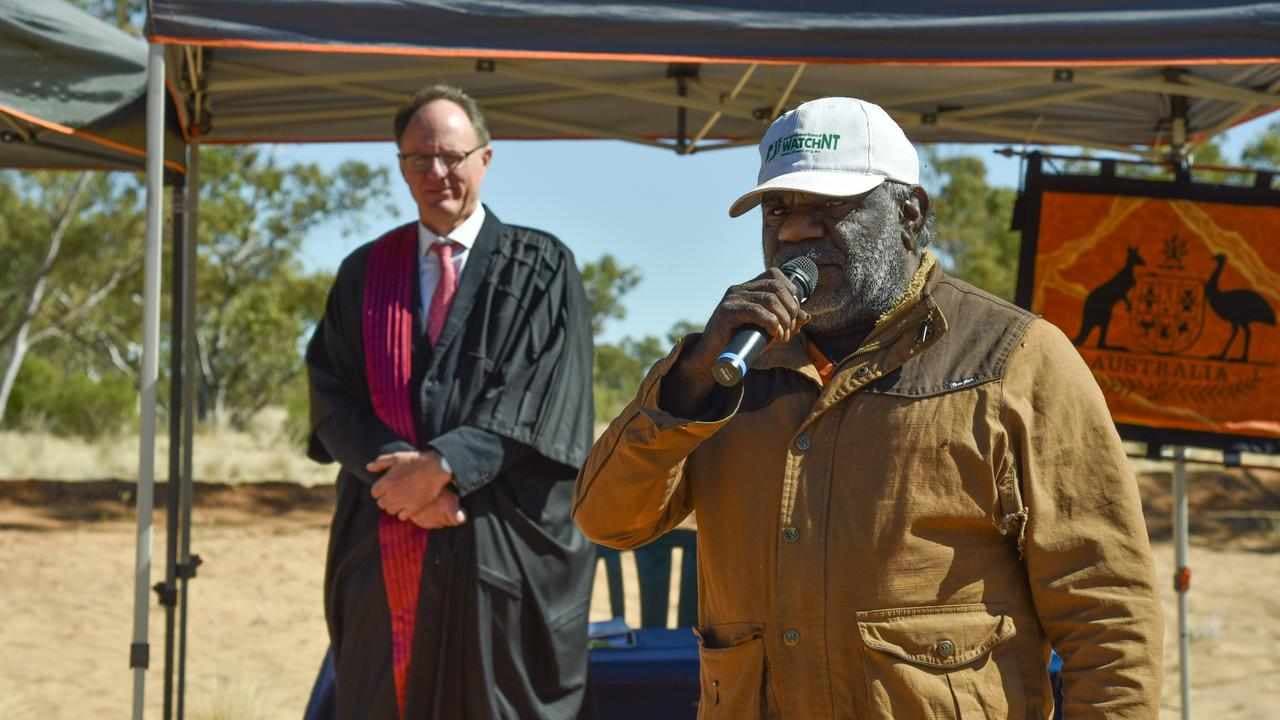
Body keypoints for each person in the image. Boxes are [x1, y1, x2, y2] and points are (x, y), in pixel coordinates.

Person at [573, 97, 1162, 719]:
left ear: (910, 211)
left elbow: (1106, 609)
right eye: (779, 209)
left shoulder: (1013, 358)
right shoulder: (728, 368)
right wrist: (689, 385)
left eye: (829, 208)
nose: (796, 230)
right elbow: (608, 521)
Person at [306, 84, 596, 720]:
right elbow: (330, 393)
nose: (436, 172)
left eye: (451, 156)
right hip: (386, 542)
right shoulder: (365, 272)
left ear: (485, 159)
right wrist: (396, 473)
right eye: (418, 159)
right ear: (401, 166)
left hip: (500, 547)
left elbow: (542, 395)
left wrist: (441, 469)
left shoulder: (542, 267)